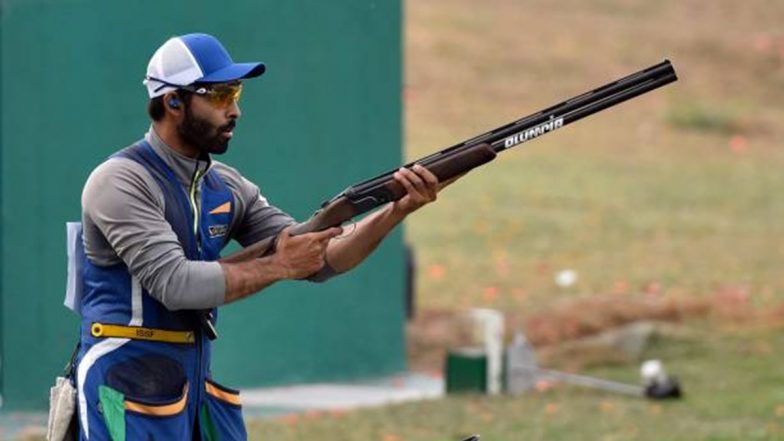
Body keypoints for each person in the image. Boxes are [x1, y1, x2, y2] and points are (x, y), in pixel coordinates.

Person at [72, 33, 441, 440]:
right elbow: (175, 284)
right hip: (123, 380)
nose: (235, 110)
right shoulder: (120, 181)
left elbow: (320, 257)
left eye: (236, 93)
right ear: (173, 102)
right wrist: (280, 265)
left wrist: (396, 210)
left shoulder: (225, 186)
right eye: (219, 96)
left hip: (190, 382)